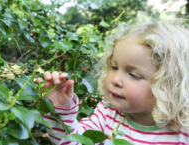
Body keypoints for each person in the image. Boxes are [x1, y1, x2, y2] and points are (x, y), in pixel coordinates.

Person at [37, 20, 189, 145]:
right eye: (114, 67)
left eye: (134, 75)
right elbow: (76, 141)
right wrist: (61, 110)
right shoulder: (107, 113)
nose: (115, 79)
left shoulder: (182, 134)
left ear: (169, 86)